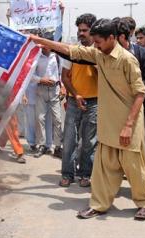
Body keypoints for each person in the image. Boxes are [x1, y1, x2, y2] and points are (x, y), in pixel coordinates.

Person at [30, 18, 145, 220]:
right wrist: (39, 40)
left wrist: (129, 125)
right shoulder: (98, 54)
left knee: (134, 168)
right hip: (108, 124)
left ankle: (144, 203)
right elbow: (71, 50)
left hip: (127, 125)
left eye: (99, 42)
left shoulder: (128, 60)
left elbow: (140, 93)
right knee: (103, 169)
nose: (95, 45)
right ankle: (99, 204)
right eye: (94, 42)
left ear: (112, 38)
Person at [114, 18, 145, 192]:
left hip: (140, 109)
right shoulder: (108, 56)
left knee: (144, 149)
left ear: (125, 36)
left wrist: (132, 91)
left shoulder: (141, 54)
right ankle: (114, 187)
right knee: (117, 149)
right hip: (116, 110)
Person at [59, 13, 98, 188]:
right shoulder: (72, 51)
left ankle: (85, 174)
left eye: (85, 30)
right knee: (69, 139)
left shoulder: (99, 52)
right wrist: (76, 95)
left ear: (93, 31)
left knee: (89, 141)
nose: (81, 33)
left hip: (95, 102)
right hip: (75, 101)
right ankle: (68, 174)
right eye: (79, 30)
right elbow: (65, 77)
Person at [32, 41, 63, 158]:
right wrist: (40, 80)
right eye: (43, 44)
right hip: (41, 89)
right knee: (40, 118)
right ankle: (42, 146)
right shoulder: (36, 57)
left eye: (47, 44)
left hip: (54, 90)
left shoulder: (57, 57)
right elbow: (30, 75)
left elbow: (61, 73)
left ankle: (58, 147)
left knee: (58, 119)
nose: (45, 46)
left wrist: (62, 87)